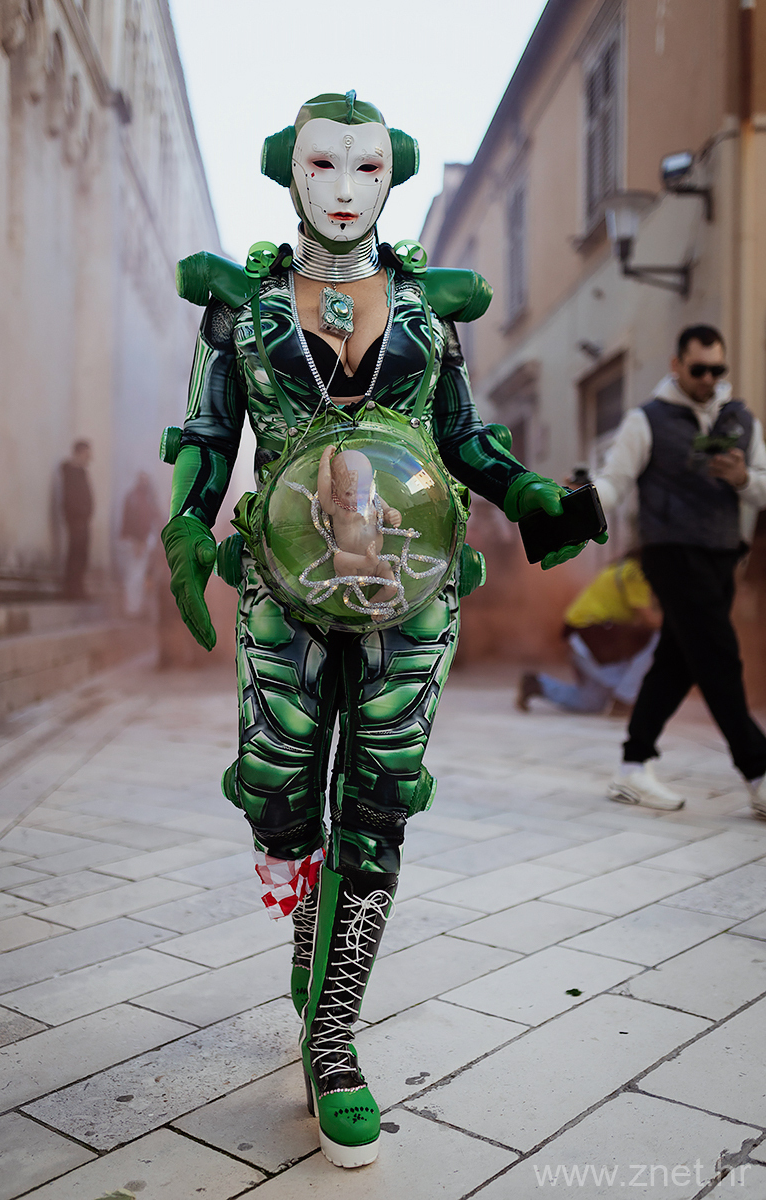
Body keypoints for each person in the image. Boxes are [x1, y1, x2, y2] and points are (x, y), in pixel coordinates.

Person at [160, 92, 598, 1168]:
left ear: (391, 175)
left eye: (367, 168)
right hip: (282, 579)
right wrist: (187, 523)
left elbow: (465, 433)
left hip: (413, 588)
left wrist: (527, 492)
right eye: (324, 164)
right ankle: (310, 940)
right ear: (290, 170)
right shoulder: (242, 307)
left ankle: (335, 1035)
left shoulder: (426, 310)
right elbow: (210, 431)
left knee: (381, 794)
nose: (346, 189)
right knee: (277, 792)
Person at [594, 325, 766, 814]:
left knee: (678, 660)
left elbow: (764, 486)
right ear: (677, 366)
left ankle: (633, 766)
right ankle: (758, 769)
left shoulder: (741, 419)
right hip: (670, 554)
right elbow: (614, 482)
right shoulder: (645, 419)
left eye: (717, 369)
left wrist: (743, 478)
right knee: (718, 658)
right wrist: (577, 505)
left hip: (722, 557)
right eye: (698, 369)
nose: (708, 378)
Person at [517, 553, 660, 716]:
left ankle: (538, 685)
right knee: (661, 636)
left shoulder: (631, 568)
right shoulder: (635, 573)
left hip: (586, 636)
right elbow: (650, 619)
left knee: (591, 702)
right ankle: (625, 699)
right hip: (588, 636)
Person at [119, 471, 160, 616]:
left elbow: (154, 518)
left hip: (146, 542)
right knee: (134, 575)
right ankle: (132, 609)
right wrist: (137, 541)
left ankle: (140, 608)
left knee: (144, 576)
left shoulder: (149, 498)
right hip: (135, 542)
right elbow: (131, 520)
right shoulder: (133, 498)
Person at [60, 439, 93, 600]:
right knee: (75, 556)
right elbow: (70, 498)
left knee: (82, 556)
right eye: (87, 454)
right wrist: (77, 516)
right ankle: (72, 590)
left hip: (83, 520)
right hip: (76, 521)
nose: (89, 458)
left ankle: (78, 589)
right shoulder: (70, 472)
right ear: (79, 453)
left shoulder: (81, 472)